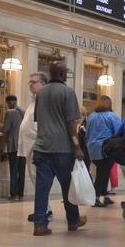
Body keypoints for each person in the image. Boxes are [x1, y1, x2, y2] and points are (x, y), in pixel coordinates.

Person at [30, 61, 86, 236]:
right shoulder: (68, 92)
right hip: (62, 149)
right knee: (67, 186)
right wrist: (77, 146)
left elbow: (38, 119)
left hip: (41, 147)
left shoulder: (41, 93)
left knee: (42, 189)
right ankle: (73, 220)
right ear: (62, 73)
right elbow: (71, 123)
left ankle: (40, 225)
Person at [19, 71, 53, 223]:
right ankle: (44, 209)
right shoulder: (34, 100)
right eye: (29, 82)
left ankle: (45, 211)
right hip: (30, 146)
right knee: (35, 179)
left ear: (43, 84)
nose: (30, 84)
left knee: (39, 180)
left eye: (34, 82)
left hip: (37, 146)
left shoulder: (44, 101)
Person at [84, 94, 120, 207]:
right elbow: (119, 132)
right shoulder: (111, 116)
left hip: (92, 149)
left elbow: (87, 133)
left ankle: (105, 195)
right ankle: (95, 198)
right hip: (106, 149)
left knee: (104, 171)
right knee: (101, 174)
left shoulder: (91, 117)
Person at [0, 94, 25, 200]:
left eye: (8, 103)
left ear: (9, 103)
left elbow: (6, 129)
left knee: (13, 170)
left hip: (13, 144)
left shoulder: (10, 112)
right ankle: (21, 194)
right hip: (23, 145)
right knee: (21, 171)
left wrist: (0, 127)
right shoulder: (23, 112)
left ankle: (14, 194)